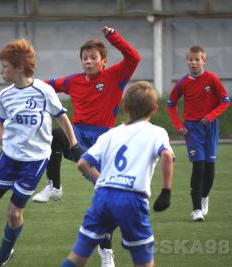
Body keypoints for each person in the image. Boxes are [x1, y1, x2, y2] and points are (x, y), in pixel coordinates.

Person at [0, 39, 82, 267]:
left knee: (14, 213)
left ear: (20, 67)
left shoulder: (44, 91)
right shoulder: (5, 96)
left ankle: (2, 258)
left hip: (34, 162)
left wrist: (74, 145)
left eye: (5, 66)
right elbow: (2, 124)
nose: (1, 71)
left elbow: (61, 116)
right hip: (9, 158)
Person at [32, 26, 140, 266]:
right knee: (53, 138)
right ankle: (54, 186)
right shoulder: (73, 81)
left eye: (93, 58)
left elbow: (134, 57)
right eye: (85, 58)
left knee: (103, 199)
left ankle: (106, 252)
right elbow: (45, 85)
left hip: (104, 142)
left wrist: (113, 37)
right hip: (78, 137)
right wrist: (26, 79)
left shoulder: (114, 76)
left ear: (104, 61)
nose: (88, 62)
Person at [60, 81, 174, 267]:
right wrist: (166, 192)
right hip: (132, 198)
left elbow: (83, 163)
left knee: (77, 258)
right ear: (154, 109)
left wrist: (101, 180)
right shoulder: (156, 132)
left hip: (103, 196)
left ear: (126, 108)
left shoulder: (109, 134)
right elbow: (167, 156)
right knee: (144, 262)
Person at [166, 45, 230, 222]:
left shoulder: (212, 79)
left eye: (197, 59)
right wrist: (178, 124)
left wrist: (211, 116)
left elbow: (225, 101)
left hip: (210, 129)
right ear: (187, 61)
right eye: (191, 60)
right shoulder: (183, 83)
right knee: (198, 167)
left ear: (204, 61)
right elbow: (171, 103)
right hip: (192, 130)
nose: (194, 63)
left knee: (210, 170)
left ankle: (203, 198)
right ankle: (196, 210)